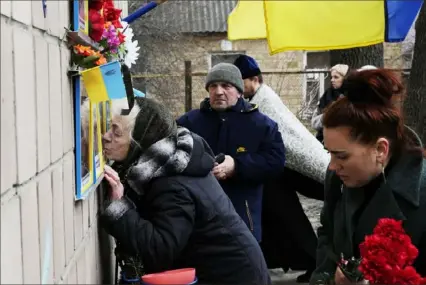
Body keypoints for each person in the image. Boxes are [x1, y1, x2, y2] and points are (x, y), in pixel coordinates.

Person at [98, 97, 271, 285]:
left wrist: (120, 209)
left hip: (232, 278)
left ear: (140, 139)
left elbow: (161, 249)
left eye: (116, 132)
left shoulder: (171, 183)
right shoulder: (168, 162)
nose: (106, 137)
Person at [310, 69, 426, 285]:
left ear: (381, 149)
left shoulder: (421, 193)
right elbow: (327, 237)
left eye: (341, 155)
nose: (332, 166)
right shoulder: (337, 177)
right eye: (329, 153)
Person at [234, 54, 329, 282]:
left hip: (293, 169)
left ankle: (312, 261)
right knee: (283, 214)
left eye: (240, 82)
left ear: (254, 80)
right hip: (278, 171)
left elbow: (289, 141)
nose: (237, 88)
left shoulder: (264, 103)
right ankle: (306, 260)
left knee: (288, 216)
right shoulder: (256, 100)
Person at [177, 63, 286, 243]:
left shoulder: (262, 125)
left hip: (244, 218)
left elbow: (275, 162)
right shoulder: (189, 123)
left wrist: (237, 166)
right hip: (198, 219)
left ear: (239, 91)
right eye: (213, 86)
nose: (219, 91)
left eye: (226, 86)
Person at [311, 64, 349, 143]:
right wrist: (327, 116)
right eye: (331, 77)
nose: (332, 80)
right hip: (324, 141)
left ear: (345, 79)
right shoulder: (327, 95)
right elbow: (314, 122)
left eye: (336, 77)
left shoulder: (352, 96)